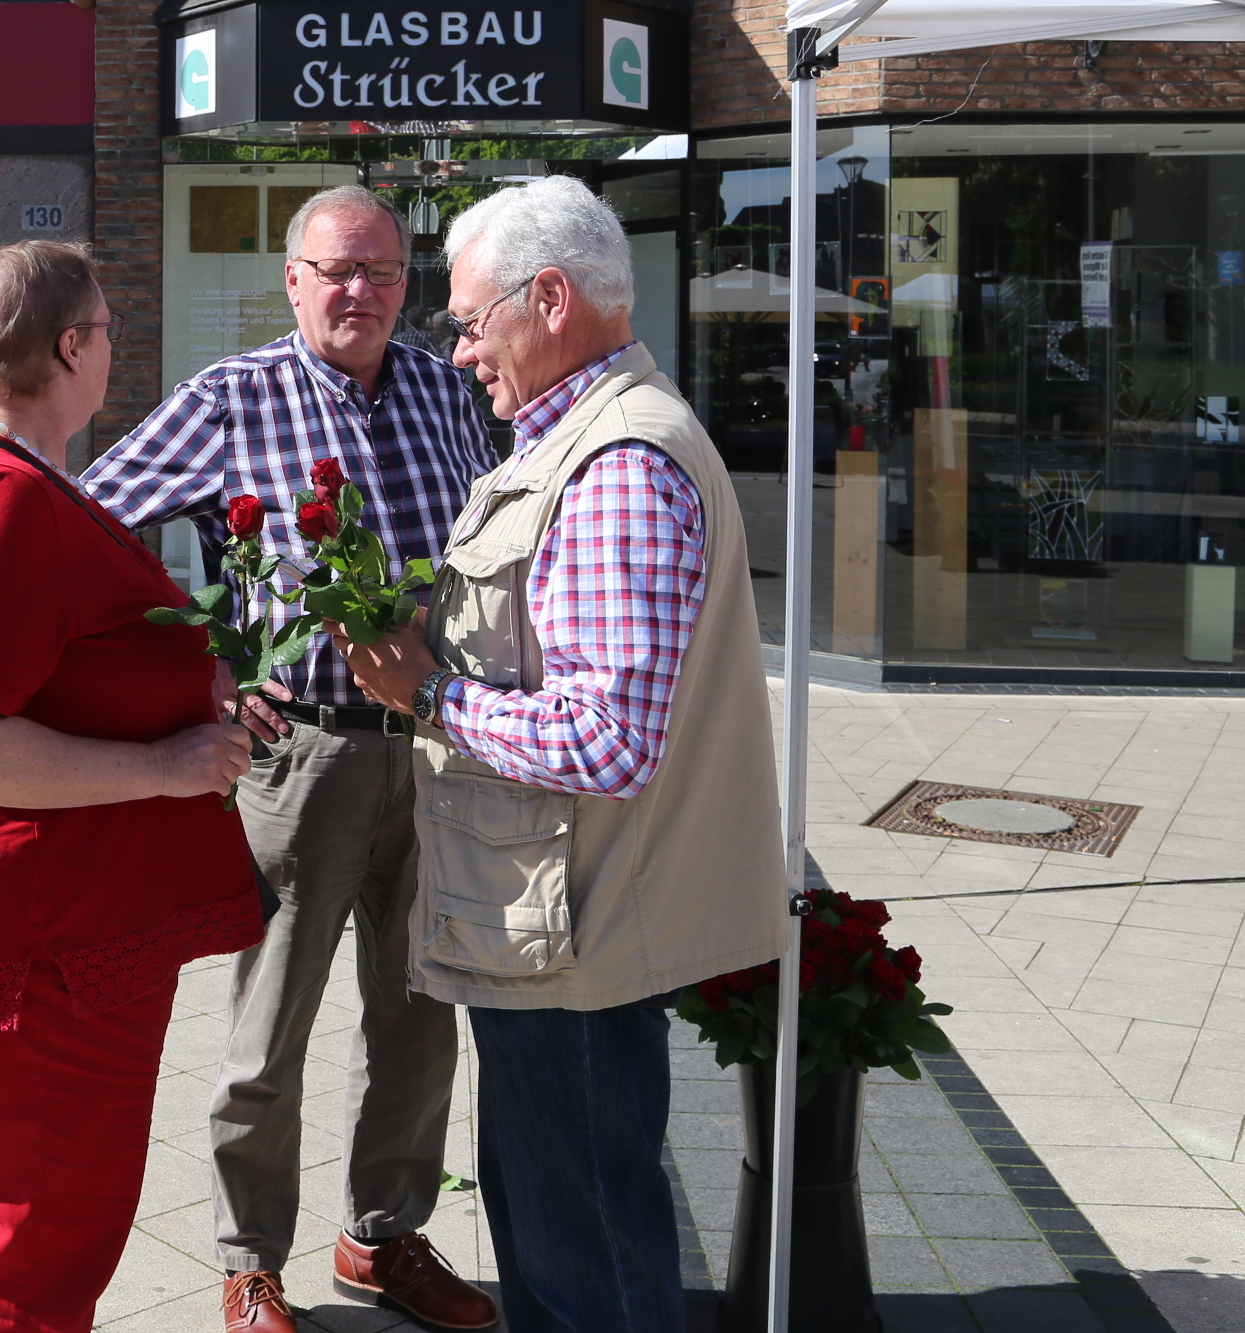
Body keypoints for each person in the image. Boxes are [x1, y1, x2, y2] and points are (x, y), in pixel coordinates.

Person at [332, 176, 788, 1333]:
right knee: (560, 1240)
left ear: (548, 300)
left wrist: (426, 690)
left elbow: (606, 735)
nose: (458, 349)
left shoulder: (614, 463)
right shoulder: (587, 436)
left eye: (468, 320)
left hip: (576, 928)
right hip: (555, 917)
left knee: (585, 1267)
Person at [82, 186, 499, 1333]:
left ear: (405, 283)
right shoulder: (231, 397)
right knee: (270, 1030)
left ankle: (382, 1238)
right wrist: (202, 667)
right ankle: (248, 1256)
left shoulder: (445, 389)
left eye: (379, 271)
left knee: (418, 1018)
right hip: (298, 759)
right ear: (292, 280)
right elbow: (85, 527)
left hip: (434, 752)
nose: (357, 291)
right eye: (336, 270)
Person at [0, 240, 264, 1333]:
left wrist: (179, 681)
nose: (113, 348)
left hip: (41, 919)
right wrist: (165, 764)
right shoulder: (2, 495)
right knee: (40, 1221)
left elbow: (50, 665)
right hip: (43, 931)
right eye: (108, 330)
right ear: (71, 345)